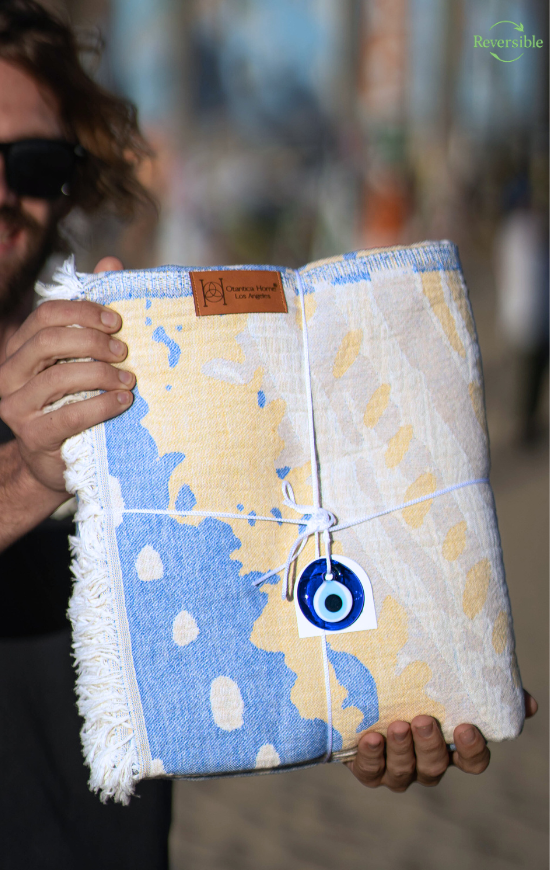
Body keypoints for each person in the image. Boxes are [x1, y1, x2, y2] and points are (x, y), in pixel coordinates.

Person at [0, 1, 537, 867]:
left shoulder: (150, 379)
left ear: (73, 174)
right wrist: (26, 478)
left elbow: (279, 594)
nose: (3, 189)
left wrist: (384, 683)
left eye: (31, 160)